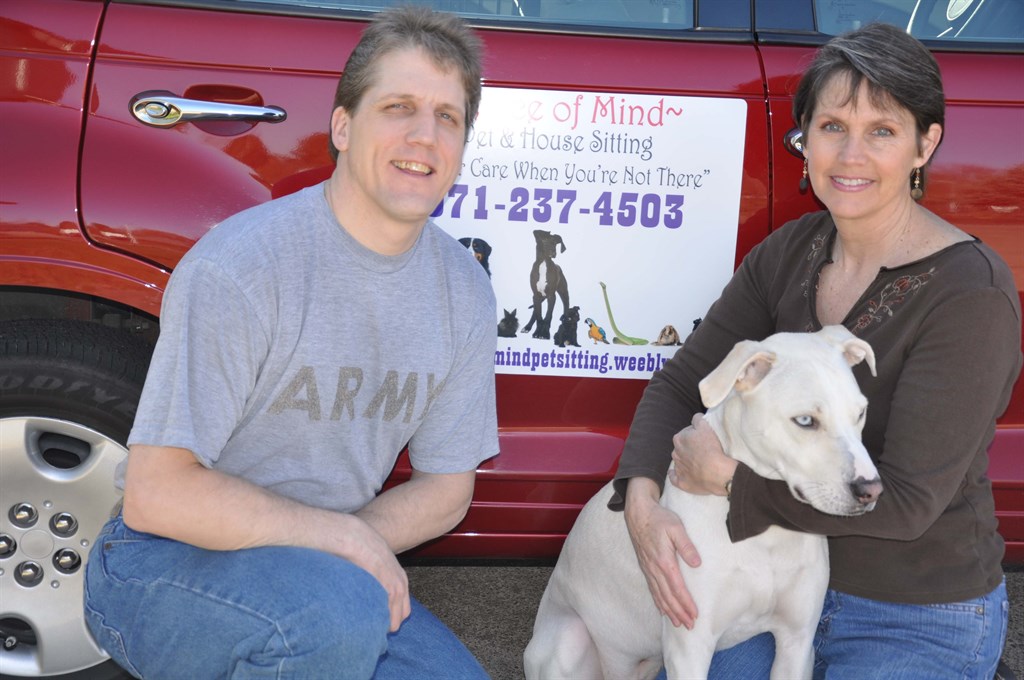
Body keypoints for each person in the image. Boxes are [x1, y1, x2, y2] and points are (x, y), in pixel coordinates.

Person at [83, 7, 498, 678]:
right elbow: (157, 496)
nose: (425, 136)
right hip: (158, 561)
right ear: (343, 126)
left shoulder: (464, 293)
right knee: (332, 621)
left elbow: (447, 490)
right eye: (399, 107)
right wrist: (341, 541)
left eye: (448, 117)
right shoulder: (244, 267)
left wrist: (346, 545)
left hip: (324, 574)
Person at [610, 22, 1021, 680]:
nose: (850, 154)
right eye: (831, 126)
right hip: (778, 582)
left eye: (882, 130)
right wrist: (641, 505)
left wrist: (729, 483)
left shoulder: (970, 295)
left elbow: (909, 503)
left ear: (926, 144)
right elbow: (683, 384)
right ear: (804, 141)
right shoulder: (791, 250)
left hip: (912, 608)